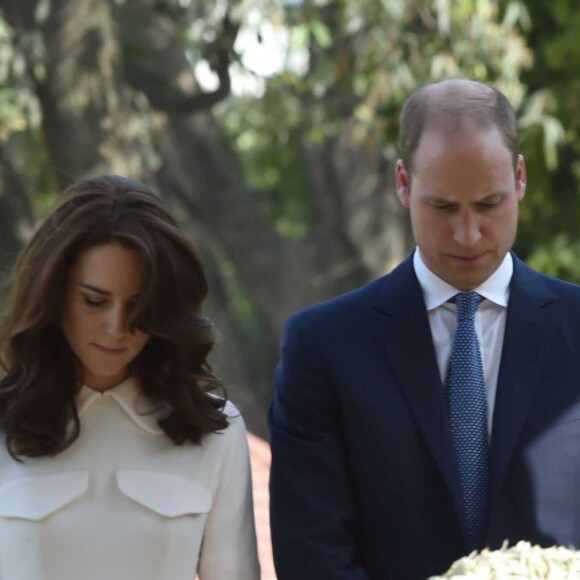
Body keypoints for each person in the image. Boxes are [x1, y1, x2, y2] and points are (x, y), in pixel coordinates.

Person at [268, 78, 580, 580]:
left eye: (489, 204)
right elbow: (313, 554)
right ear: (403, 184)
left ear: (520, 178)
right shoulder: (324, 347)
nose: (467, 233)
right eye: (442, 207)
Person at [0, 174, 260, 580]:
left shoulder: (215, 433)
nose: (117, 327)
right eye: (94, 301)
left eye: (140, 305)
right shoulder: (5, 423)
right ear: (52, 293)